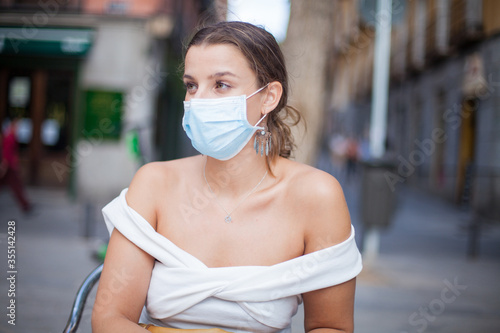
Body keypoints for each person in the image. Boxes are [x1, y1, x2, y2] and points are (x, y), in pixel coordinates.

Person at [92, 21, 362, 333]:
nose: (199, 100)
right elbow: (109, 320)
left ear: (269, 97)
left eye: (221, 85)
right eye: (192, 85)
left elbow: (332, 326)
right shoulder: (154, 183)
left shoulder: (316, 195)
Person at [0, 119, 32, 213]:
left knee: (15, 185)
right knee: (16, 185)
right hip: (9, 165)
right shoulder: (10, 137)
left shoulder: (11, 136)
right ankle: (25, 205)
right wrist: (5, 163)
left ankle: (25, 205)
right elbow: (7, 152)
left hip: (9, 164)